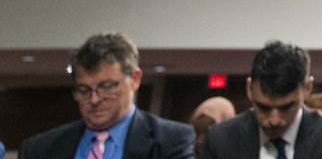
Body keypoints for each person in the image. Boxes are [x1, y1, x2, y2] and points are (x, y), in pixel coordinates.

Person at [20, 33, 195, 159]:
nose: (94, 100)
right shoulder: (40, 149)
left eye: (107, 87)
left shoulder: (169, 141)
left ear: (135, 79)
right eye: (84, 90)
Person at [201, 41, 322, 159]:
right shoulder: (220, 140)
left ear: (307, 88)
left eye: (286, 108)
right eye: (264, 108)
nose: (274, 120)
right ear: (249, 89)